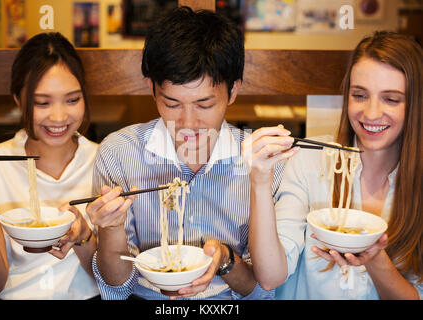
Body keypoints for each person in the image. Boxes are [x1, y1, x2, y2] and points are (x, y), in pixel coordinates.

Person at [86, 7, 284, 300]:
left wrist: (226, 260)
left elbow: (264, 290)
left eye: (204, 105)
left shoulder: (263, 163)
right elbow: (118, 288)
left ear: (233, 92)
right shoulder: (118, 153)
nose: (188, 123)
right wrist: (111, 229)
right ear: (152, 89)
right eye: (172, 104)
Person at [244, 31, 422, 299]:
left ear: (415, 104)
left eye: (391, 99)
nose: (371, 113)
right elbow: (270, 277)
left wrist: (374, 258)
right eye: (360, 95)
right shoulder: (309, 160)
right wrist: (259, 181)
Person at [0, 32, 100, 299]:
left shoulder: (104, 161)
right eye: (42, 102)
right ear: (18, 100)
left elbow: (114, 280)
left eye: (73, 100)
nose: (59, 116)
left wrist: (84, 236)